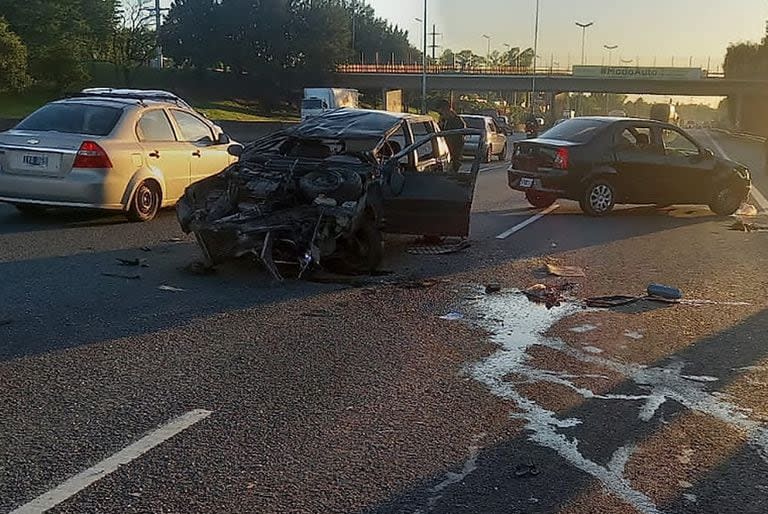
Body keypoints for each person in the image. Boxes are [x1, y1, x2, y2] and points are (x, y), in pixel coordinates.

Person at [436, 99, 466, 172]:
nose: (441, 115)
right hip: (443, 150)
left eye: (442, 112)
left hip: (453, 151)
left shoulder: (457, 121)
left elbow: (459, 138)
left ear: (447, 109)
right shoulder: (443, 121)